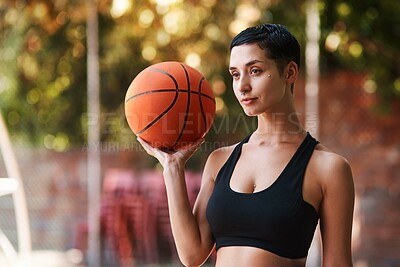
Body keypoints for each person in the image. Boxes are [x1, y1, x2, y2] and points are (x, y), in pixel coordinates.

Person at [137, 23, 355, 267]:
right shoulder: (220, 161)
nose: (242, 86)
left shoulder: (329, 168)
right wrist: (172, 167)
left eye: (255, 71)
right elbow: (192, 255)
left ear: (290, 72)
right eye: (235, 74)